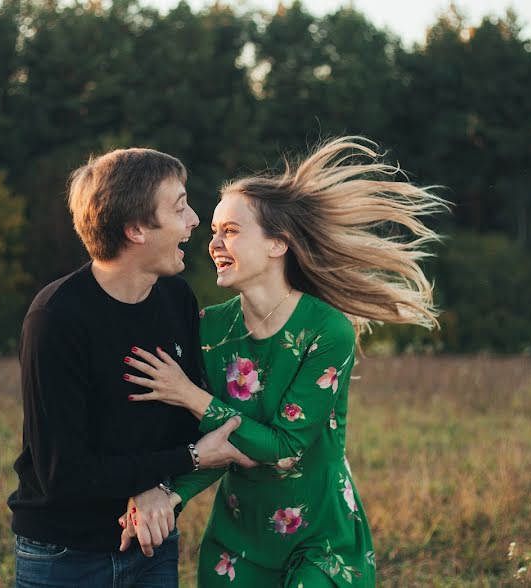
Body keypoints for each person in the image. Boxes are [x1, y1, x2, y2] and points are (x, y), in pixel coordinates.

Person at [119, 136, 446, 586]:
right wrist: (167, 494)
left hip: (320, 541)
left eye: (230, 231)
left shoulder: (327, 331)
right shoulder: (209, 329)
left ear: (278, 244)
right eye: (213, 231)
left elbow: (285, 448)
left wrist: (189, 394)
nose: (213, 243)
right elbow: (218, 445)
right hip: (236, 544)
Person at [7, 147, 255, 588]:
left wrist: (157, 489)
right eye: (179, 208)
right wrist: (189, 459)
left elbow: (179, 423)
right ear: (136, 229)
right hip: (66, 557)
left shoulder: (177, 299)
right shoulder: (56, 319)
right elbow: (63, 475)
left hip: (151, 545)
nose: (195, 220)